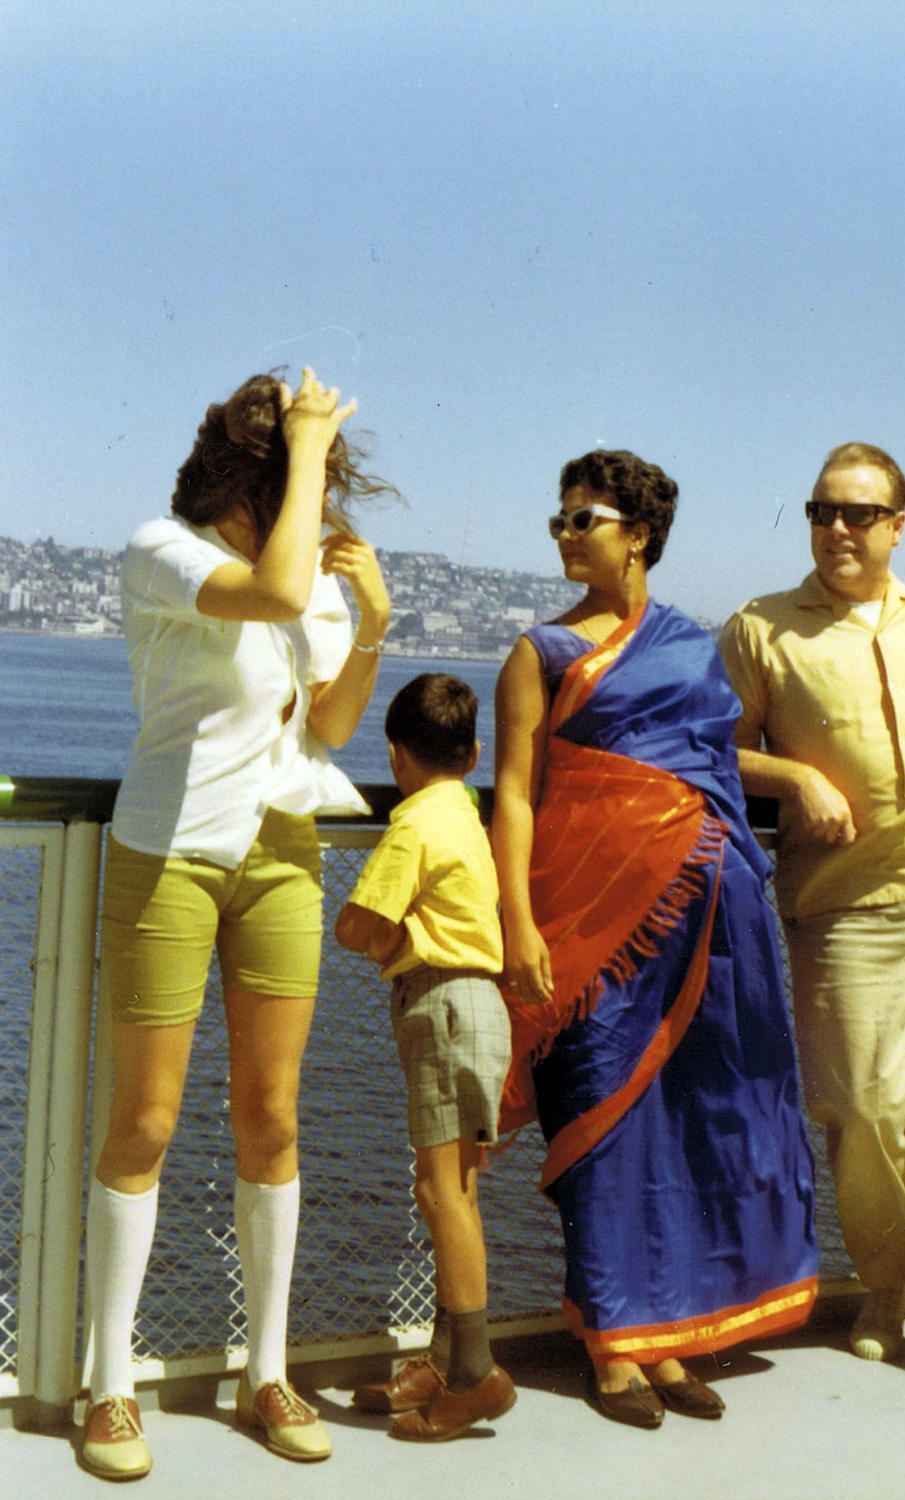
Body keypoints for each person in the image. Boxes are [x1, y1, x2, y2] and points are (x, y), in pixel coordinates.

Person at [82, 369, 392, 1480]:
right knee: (148, 1122)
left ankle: (267, 1370)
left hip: (281, 856)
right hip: (170, 851)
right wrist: (308, 446)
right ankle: (109, 1382)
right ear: (247, 473)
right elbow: (264, 593)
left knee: (272, 1115)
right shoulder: (162, 548)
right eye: (296, 474)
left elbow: (331, 728)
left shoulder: (302, 574)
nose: (314, 494)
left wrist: (373, 627)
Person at [490, 450, 819, 1430]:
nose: (562, 534)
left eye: (581, 517)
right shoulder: (538, 654)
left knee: (692, 1118)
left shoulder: (689, 644)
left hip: (707, 921)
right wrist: (515, 920)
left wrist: (798, 779)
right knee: (600, 1121)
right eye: (557, 518)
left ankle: (669, 1336)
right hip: (587, 930)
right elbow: (512, 792)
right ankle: (611, 1341)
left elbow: (713, 762)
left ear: (638, 534)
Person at [719, 442, 905, 1404]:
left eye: (858, 514)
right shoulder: (762, 630)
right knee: (864, 1111)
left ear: (898, 524)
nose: (838, 529)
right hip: (847, 904)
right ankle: (884, 1282)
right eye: (822, 512)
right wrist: (798, 776)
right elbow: (719, 754)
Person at [335, 673, 517, 1441]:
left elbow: (356, 925)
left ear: (396, 757)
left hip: (441, 1005)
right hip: (480, 1007)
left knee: (442, 1196)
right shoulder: (467, 816)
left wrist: (393, 937)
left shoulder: (412, 824)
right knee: (456, 1194)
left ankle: (475, 1377)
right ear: (473, 754)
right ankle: (446, 1361)